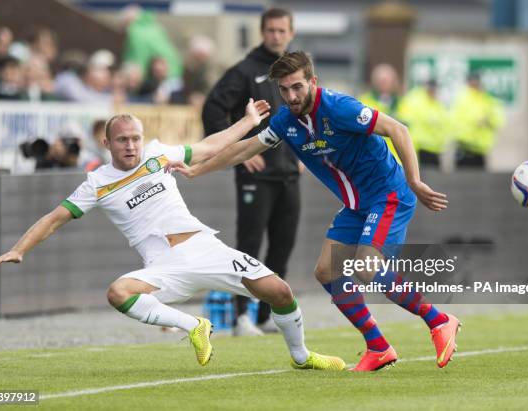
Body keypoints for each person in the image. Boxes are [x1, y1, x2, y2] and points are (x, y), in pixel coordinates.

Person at [0, 98, 345, 371]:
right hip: (164, 265)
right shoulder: (96, 184)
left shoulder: (157, 154)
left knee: (279, 291)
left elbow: (208, 147)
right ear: (107, 142)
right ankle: (194, 325)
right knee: (118, 292)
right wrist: (20, 249)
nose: (131, 146)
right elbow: (54, 218)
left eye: (135, 139)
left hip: (204, 247)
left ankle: (301, 356)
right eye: (123, 140)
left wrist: (248, 122)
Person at [173, 51, 461, 371]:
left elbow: (399, 130)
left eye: (297, 87)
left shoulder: (339, 107)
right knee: (326, 271)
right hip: (356, 205)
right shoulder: (285, 121)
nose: (291, 96)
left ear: (313, 82)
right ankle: (378, 346)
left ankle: (439, 320)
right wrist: (198, 170)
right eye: (284, 90)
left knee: (367, 267)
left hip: (388, 195)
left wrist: (415, 181)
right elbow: (244, 148)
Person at [202, 8, 301, 336]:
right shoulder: (244, 71)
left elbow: (305, 117)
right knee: (249, 247)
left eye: (281, 30)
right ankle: (242, 315)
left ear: (291, 32)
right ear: (263, 32)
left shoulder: (293, 73)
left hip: (288, 175)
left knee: (281, 248)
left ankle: (265, 315)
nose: (276, 36)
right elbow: (213, 109)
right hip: (256, 177)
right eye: (270, 30)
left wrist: (306, 152)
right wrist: (237, 153)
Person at [450, 72, 504, 168]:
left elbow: (498, 119)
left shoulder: (487, 99)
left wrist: (488, 121)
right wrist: (478, 120)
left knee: (480, 179)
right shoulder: (463, 98)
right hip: (465, 147)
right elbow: (457, 120)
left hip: (480, 149)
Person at [396, 79, 452, 167]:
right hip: (418, 147)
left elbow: (445, 123)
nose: (433, 92)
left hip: (435, 148)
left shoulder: (437, 102)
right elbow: (404, 120)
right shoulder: (414, 99)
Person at [358, 63, 402, 162]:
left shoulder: (403, 103)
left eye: (388, 81)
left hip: (400, 162)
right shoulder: (364, 102)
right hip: (375, 162)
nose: (385, 84)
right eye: (382, 81)